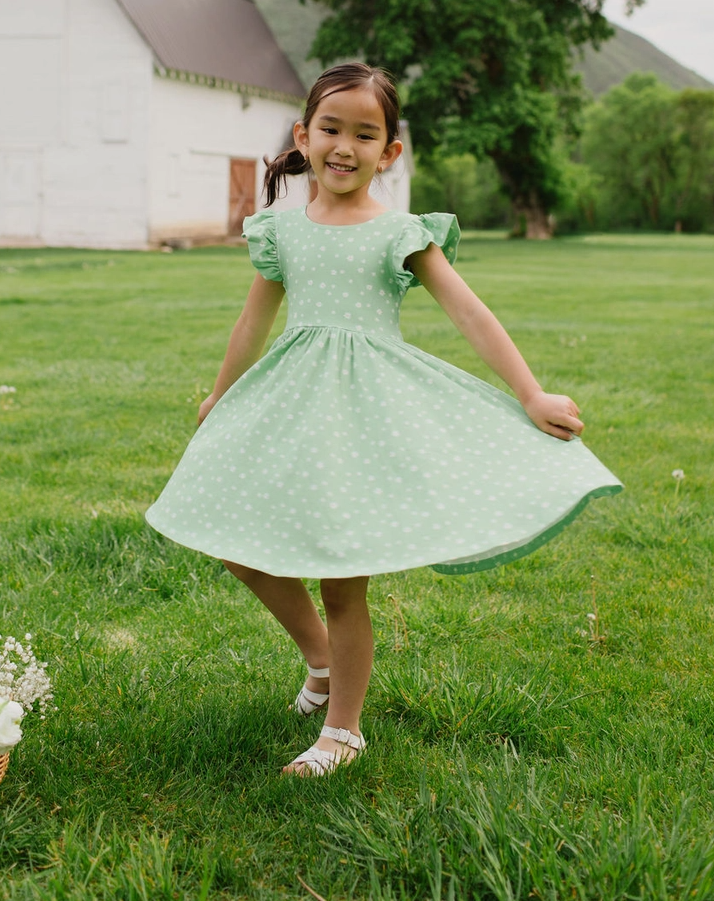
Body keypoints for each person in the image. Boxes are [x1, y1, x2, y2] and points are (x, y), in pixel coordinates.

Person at [145, 62, 621, 777]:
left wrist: (531, 395)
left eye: (365, 134)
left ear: (389, 152)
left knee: (343, 577)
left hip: (363, 411)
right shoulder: (281, 229)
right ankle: (319, 660)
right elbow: (252, 322)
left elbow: (470, 312)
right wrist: (220, 394)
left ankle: (343, 731)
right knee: (236, 543)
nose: (345, 146)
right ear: (304, 135)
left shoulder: (400, 231)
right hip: (290, 399)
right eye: (331, 128)